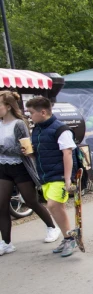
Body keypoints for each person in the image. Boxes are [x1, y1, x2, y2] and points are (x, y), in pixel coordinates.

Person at [0, 91, 60, 255]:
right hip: (3, 167)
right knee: (1, 205)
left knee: (31, 201)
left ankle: (52, 227)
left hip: (20, 167)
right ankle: (6, 243)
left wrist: (4, 149)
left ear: (8, 106)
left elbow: (24, 149)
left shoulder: (19, 124)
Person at [25, 97, 78, 257]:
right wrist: (30, 153)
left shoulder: (61, 129)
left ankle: (70, 238)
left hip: (59, 175)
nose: (30, 116)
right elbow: (43, 152)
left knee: (53, 205)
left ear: (43, 112)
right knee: (57, 208)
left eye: (31, 113)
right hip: (45, 174)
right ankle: (67, 236)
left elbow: (67, 153)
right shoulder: (38, 129)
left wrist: (68, 179)